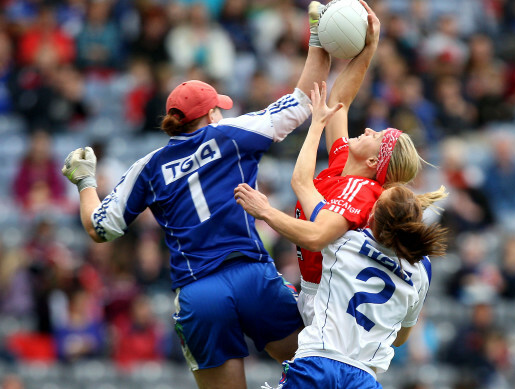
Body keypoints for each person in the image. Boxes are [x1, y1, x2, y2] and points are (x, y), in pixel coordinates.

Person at [59, 4, 332, 388]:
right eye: (217, 108)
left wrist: (85, 181)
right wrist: (318, 39)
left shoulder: (148, 166)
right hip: (251, 275)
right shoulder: (231, 134)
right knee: (319, 372)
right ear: (209, 116)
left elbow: (99, 229)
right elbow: (306, 100)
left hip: (199, 293)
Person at [236, 82, 448, 388]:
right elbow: (401, 337)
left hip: (318, 362)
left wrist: (266, 212)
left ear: (373, 217)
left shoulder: (346, 240)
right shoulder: (422, 268)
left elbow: (301, 185)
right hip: (364, 376)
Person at [236, 0, 425, 327]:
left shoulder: (363, 190)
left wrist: (266, 212)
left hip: (329, 302)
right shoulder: (345, 162)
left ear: (371, 161)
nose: (367, 129)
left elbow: (316, 234)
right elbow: (338, 101)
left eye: (375, 136)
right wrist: (369, 49)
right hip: (312, 292)